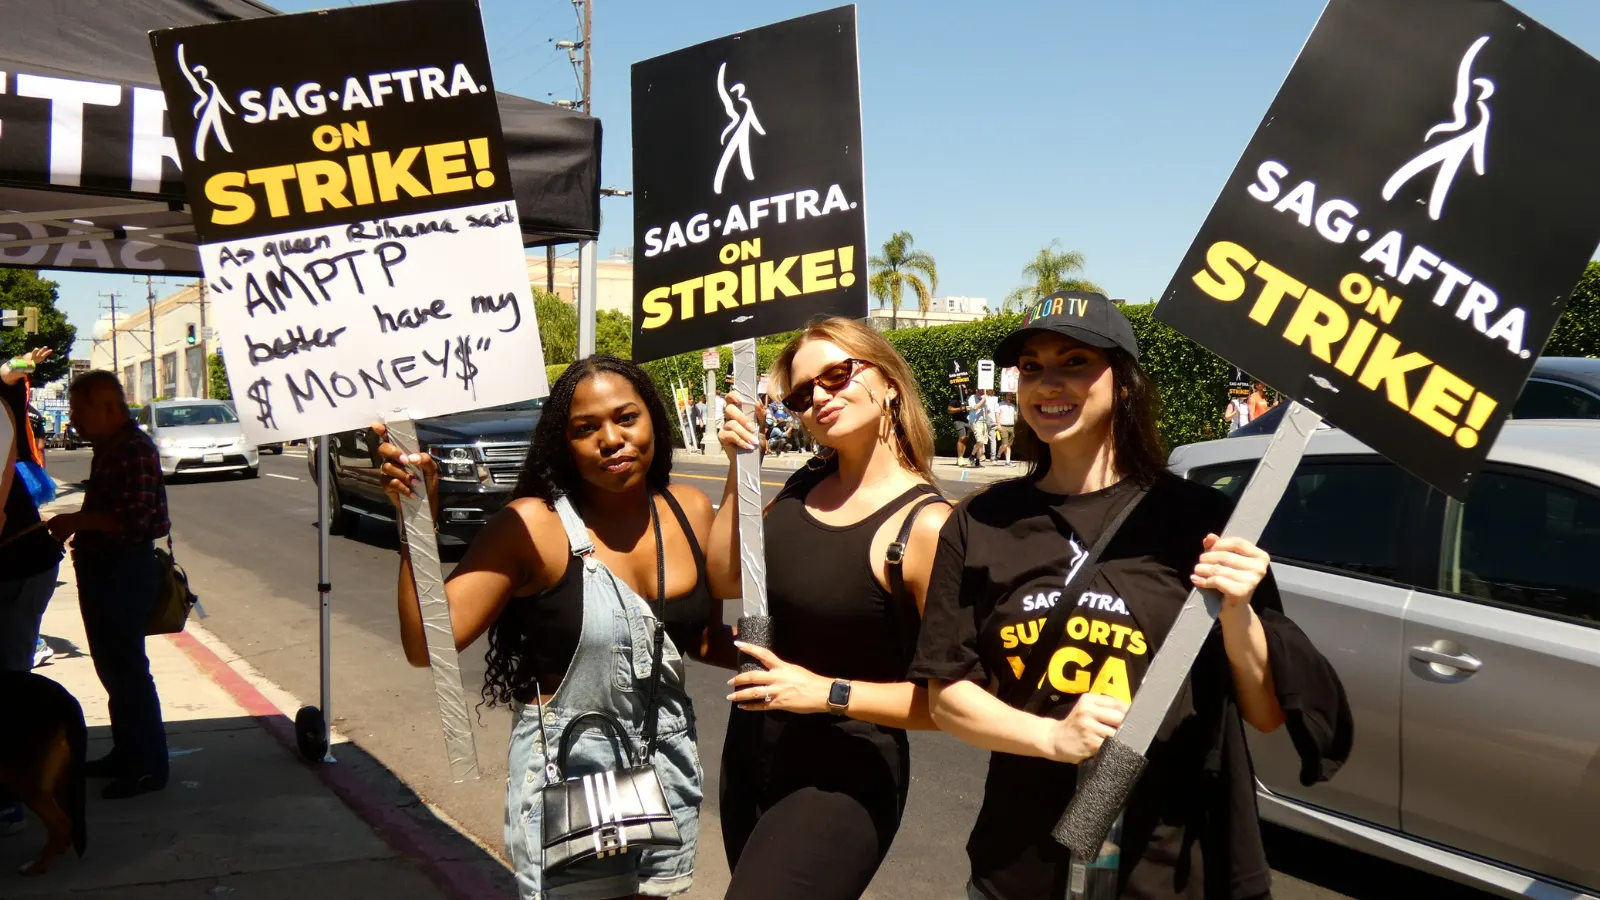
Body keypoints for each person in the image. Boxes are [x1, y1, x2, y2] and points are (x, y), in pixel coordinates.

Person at [909, 292, 1352, 900]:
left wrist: (1240, 609)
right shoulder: (979, 522)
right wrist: (1050, 739)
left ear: (1124, 383)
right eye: (1031, 367)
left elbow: (1265, 712)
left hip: (1169, 858)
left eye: (1074, 362)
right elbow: (947, 697)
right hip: (1023, 859)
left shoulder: (1198, 518)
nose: (1048, 383)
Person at [376, 356, 715, 900]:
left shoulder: (690, 510)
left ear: (654, 418)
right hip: (573, 774)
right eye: (586, 428)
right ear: (564, 444)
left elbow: (696, 636)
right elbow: (425, 646)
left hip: (665, 768)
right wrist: (417, 518)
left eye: (626, 417)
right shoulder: (535, 525)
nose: (611, 439)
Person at [711, 317, 952, 900]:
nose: (819, 397)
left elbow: (952, 703)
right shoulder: (803, 484)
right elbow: (724, 576)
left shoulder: (926, 526)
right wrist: (736, 471)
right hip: (750, 757)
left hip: (844, 772)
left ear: (888, 381)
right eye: (801, 393)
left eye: (838, 375)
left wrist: (825, 692)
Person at [47, 371, 172, 800]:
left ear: (109, 408)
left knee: (128, 671)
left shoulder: (133, 450)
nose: (75, 419)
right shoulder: (110, 448)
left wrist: (75, 522)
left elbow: (133, 519)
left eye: (81, 410)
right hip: (103, 568)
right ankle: (127, 752)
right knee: (113, 670)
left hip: (124, 569)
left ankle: (148, 766)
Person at [948, 383, 975, 467]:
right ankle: (960, 457)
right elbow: (949, 410)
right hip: (958, 421)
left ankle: (961, 458)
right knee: (962, 438)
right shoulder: (955, 399)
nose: (965, 390)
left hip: (967, 420)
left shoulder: (969, 398)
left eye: (965, 388)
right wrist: (960, 409)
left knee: (965, 439)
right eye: (963, 388)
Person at [994, 394, 1016, 465]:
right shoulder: (999, 405)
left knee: (1009, 445)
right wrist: (998, 425)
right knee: (1004, 444)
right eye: (1008, 395)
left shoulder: (1013, 406)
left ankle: (1008, 461)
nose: (1010, 396)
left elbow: (1015, 416)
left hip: (1011, 426)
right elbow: (997, 414)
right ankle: (997, 456)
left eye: (1010, 395)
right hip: (1003, 426)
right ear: (1004, 396)